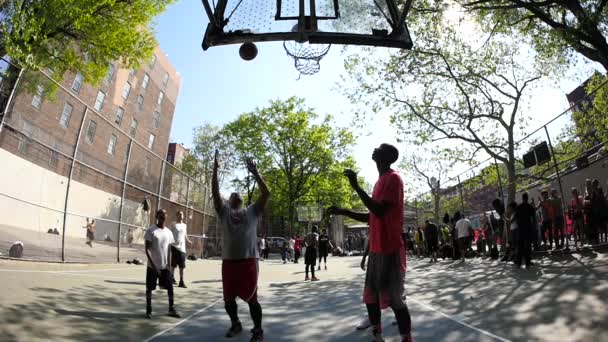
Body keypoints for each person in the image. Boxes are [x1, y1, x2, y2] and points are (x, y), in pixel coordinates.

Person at [328, 143, 413, 342]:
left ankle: (406, 338)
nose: (375, 149)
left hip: (390, 249)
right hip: (377, 250)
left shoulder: (393, 178)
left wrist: (356, 187)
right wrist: (344, 211)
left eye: (380, 148)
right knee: (370, 298)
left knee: (396, 300)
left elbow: (380, 210)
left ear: (387, 157)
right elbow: (372, 217)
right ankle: (377, 335)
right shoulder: (379, 182)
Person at [213, 150, 270, 342]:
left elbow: (266, 193)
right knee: (228, 299)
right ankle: (235, 323)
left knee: (253, 299)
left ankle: (258, 330)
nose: (235, 194)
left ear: (243, 201)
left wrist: (255, 172)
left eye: (238, 194)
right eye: (232, 194)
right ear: (228, 201)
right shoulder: (224, 212)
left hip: (248, 262)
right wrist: (215, 169)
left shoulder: (252, 211)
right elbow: (214, 192)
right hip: (229, 262)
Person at [144, 209, 180, 319]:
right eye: (160, 214)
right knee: (149, 288)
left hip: (165, 267)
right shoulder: (151, 230)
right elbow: (147, 249)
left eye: (164, 213)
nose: (163, 215)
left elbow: (169, 250)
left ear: (166, 216)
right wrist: (154, 266)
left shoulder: (169, 232)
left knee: (170, 288)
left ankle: (171, 308)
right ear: (157, 216)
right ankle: (148, 309)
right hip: (152, 267)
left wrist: (169, 266)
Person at [170, 211, 192, 288]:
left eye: (182, 214)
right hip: (174, 247)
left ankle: (181, 281)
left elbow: (185, 234)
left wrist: (188, 240)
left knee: (182, 266)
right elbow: (169, 234)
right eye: (179, 214)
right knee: (173, 265)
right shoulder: (173, 224)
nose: (181, 215)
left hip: (182, 249)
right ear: (177, 216)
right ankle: (171, 278)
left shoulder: (184, 225)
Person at [515, 194, 535, 268]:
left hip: (520, 228)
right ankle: (527, 262)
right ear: (527, 198)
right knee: (528, 245)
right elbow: (533, 216)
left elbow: (516, 217)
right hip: (528, 228)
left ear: (522, 198)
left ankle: (519, 262)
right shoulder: (529, 206)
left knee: (520, 245)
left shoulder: (518, 207)